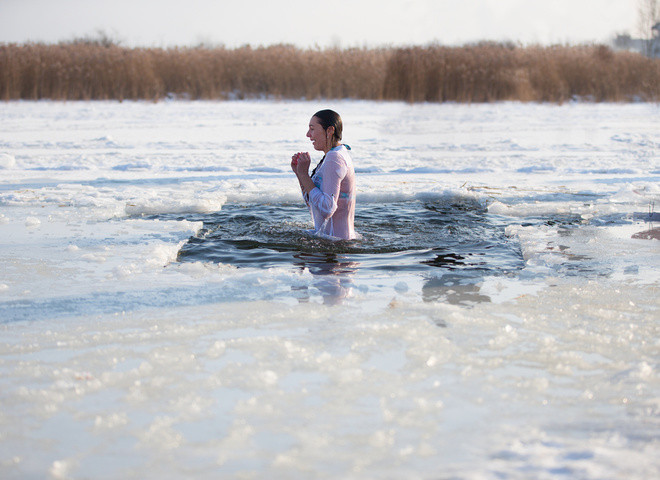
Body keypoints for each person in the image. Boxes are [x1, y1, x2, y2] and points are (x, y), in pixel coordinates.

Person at [291, 109, 357, 240]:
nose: (308, 134)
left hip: (336, 246)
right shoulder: (333, 155)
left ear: (330, 130)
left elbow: (327, 209)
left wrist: (304, 175)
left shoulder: (335, 157)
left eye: (312, 129)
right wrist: (300, 173)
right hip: (334, 241)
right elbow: (313, 203)